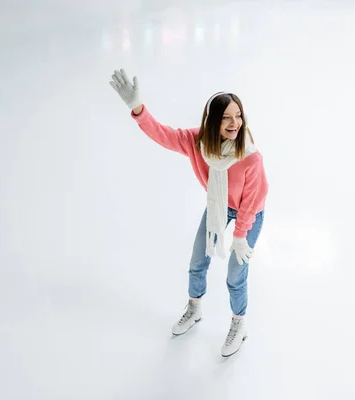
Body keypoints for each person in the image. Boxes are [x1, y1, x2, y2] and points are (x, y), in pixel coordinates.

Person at [109, 69, 268, 357]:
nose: (235, 123)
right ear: (212, 121)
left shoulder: (250, 156)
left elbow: (252, 199)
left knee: (235, 271)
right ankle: (194, 309)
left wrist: (241, 236)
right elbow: (164, 135)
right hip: (220, 206)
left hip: (250, 211)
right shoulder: (199, 142)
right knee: (198, 260)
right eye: (227, 117)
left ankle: (238, 324)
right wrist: (138, 109)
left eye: (238, 116)